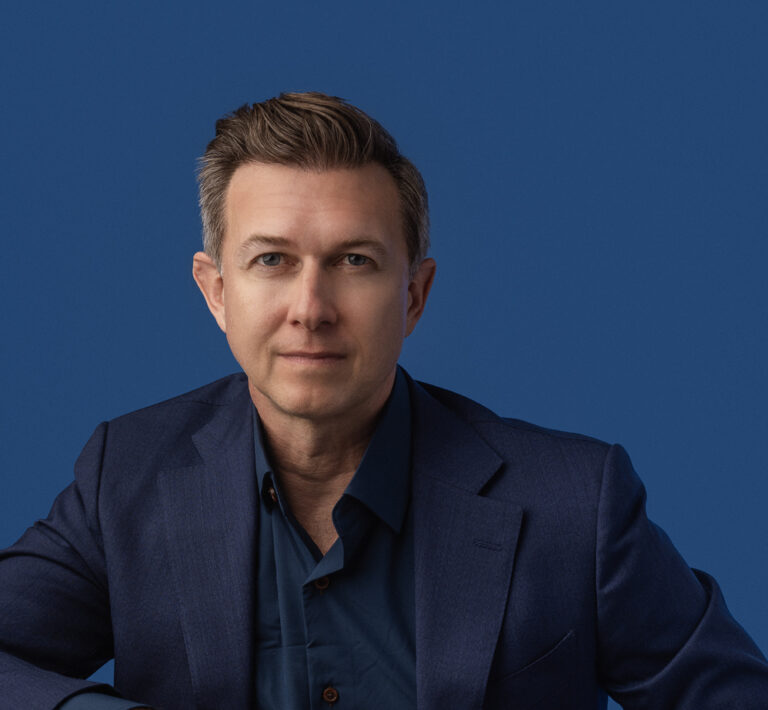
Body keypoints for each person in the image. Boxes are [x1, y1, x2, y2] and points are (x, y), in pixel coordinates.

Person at [1, 92, 767, 710]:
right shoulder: (126, 476)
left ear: (414, 295)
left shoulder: (577, 502)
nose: (311, 307)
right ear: (217, 291)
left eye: (354, 261)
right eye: (272, 260)